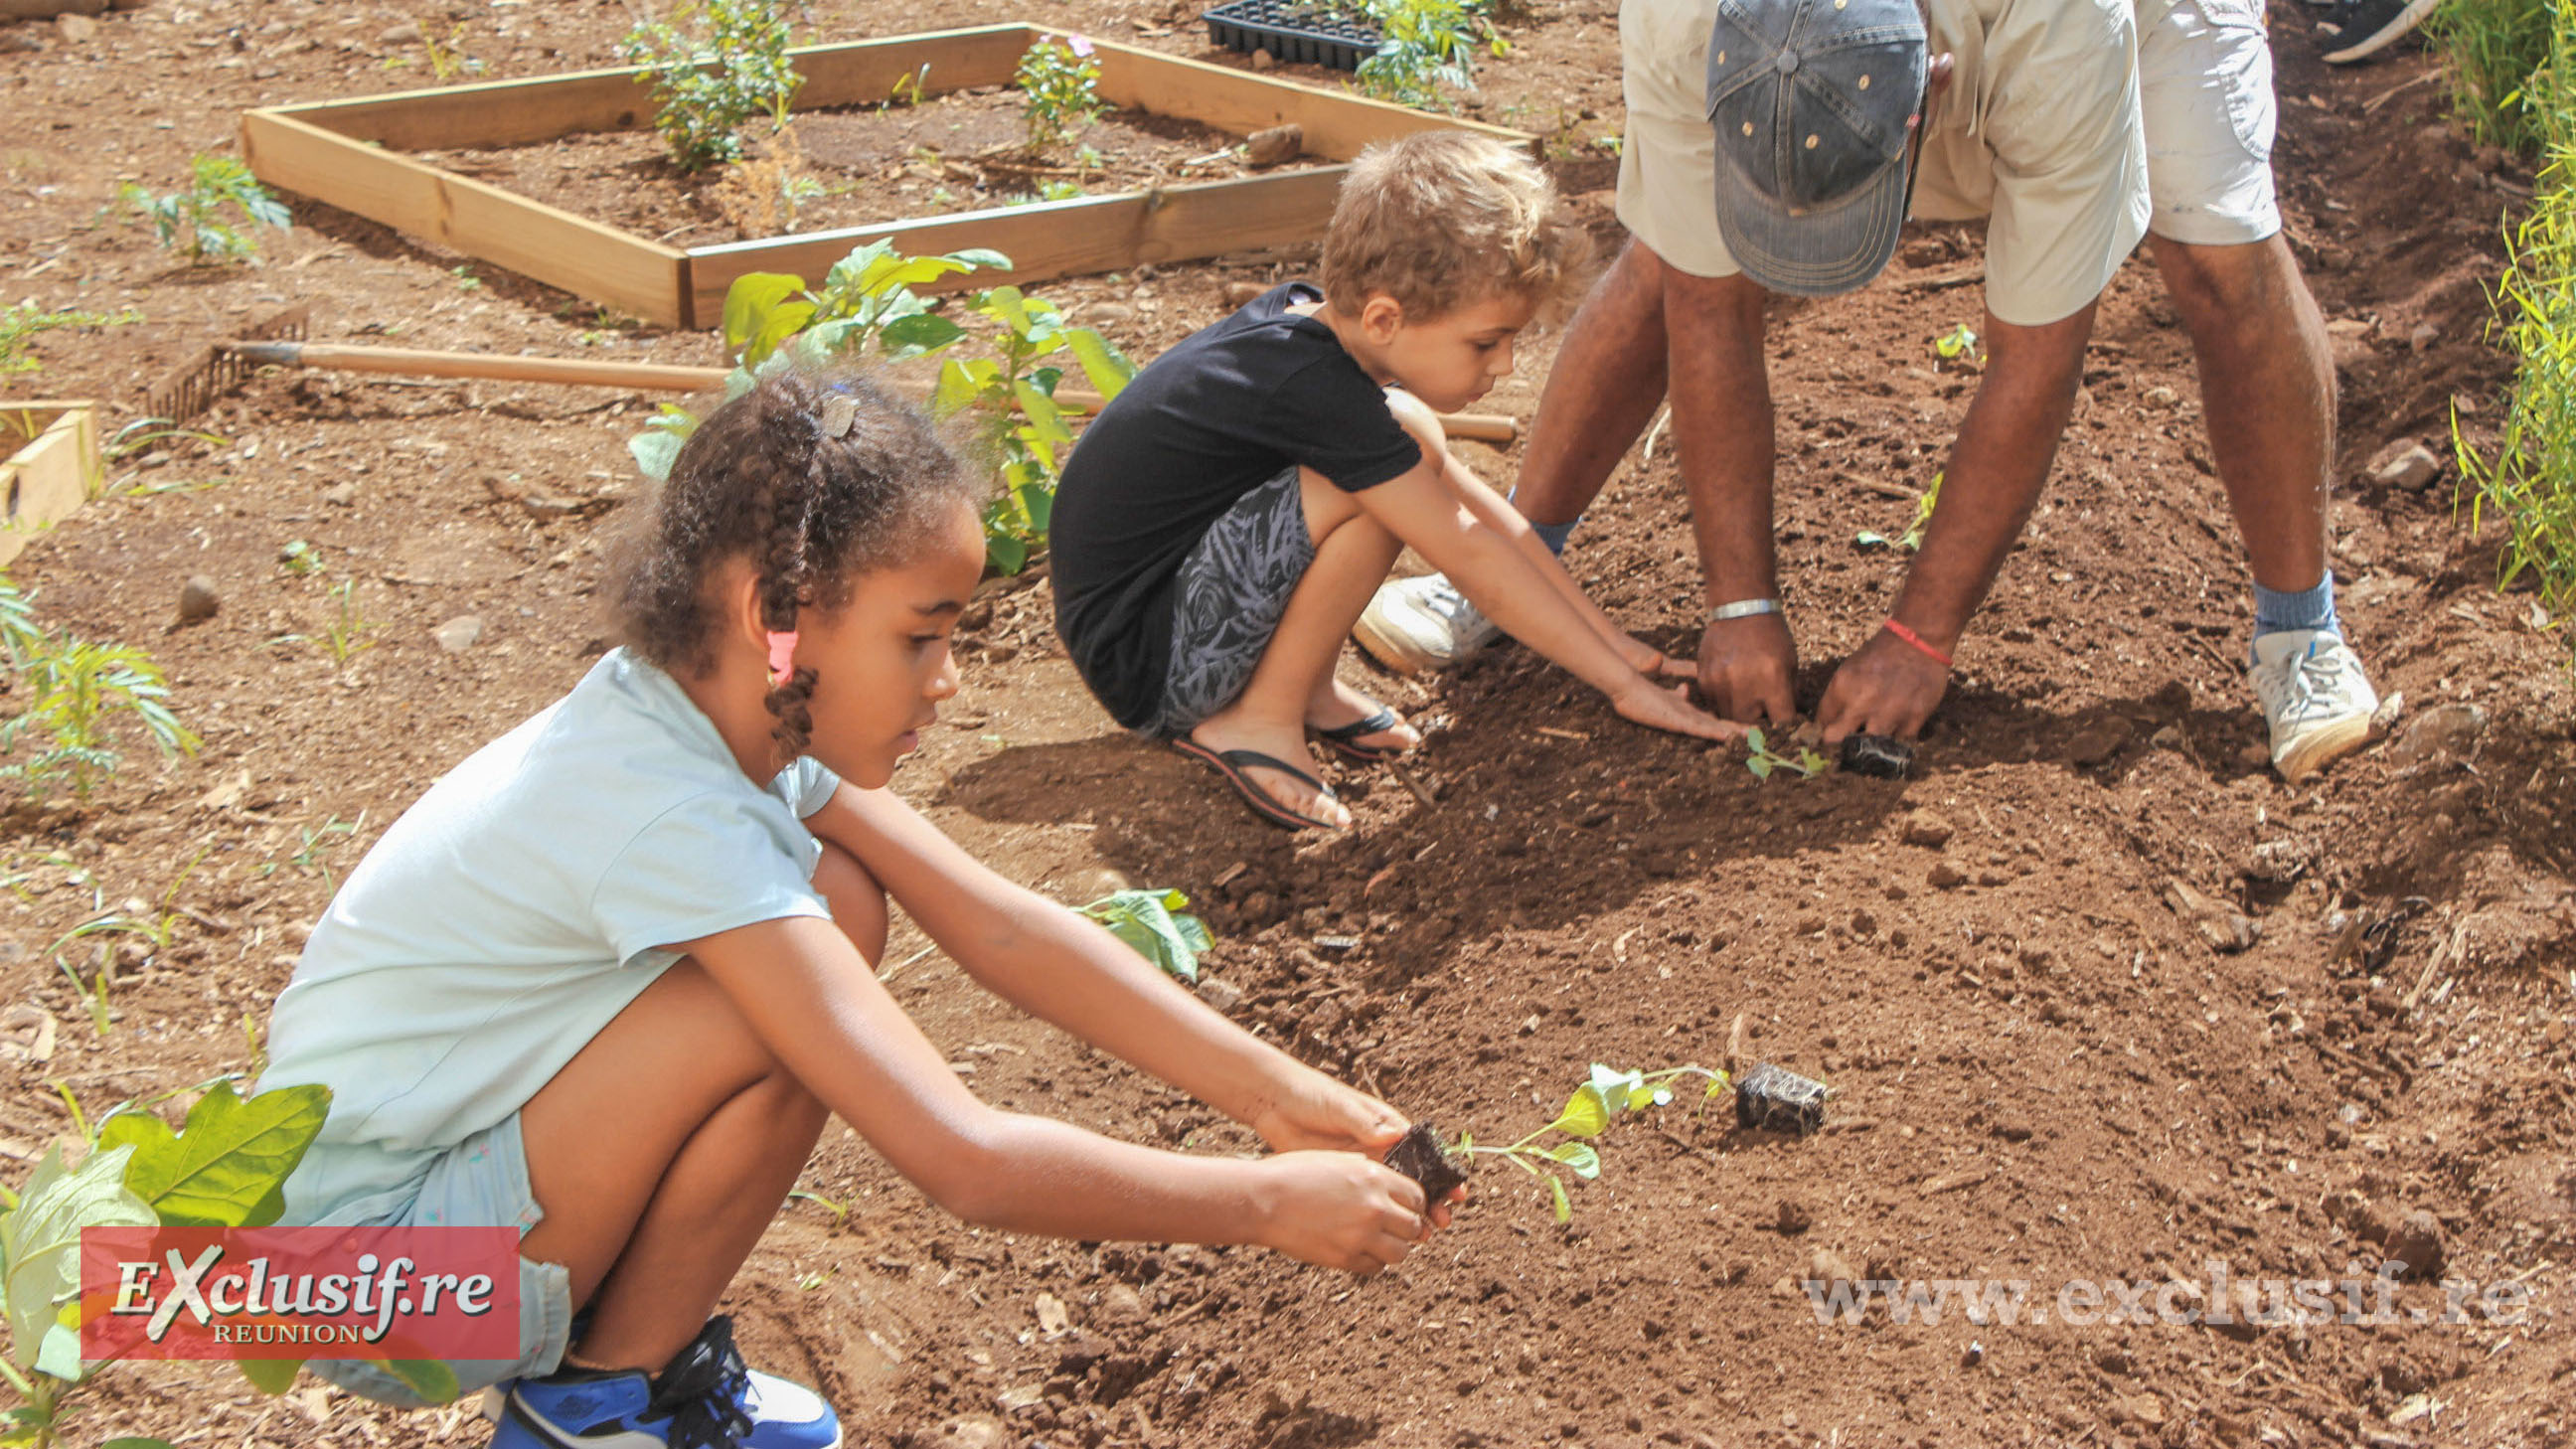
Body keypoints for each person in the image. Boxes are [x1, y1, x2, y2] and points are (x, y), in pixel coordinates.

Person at [257, 370, 1454, 1449]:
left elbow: (995, 923)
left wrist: (1289, 1099)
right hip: (372, 1289)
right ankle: (600, 1410)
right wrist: (1260, 1204)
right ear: (772, 620)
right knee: (796, 997)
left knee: (839, 902)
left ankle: (612, 1381)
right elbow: (964, 1161)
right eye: (922, 636)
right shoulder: (663, 808)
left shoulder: (713, 714)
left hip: (392, 1241)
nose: (948, 679)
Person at [1359, 0, 2381, 786]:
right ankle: (1511, 566)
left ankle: (2302, 630)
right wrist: (1740, 604)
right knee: (1673, 262)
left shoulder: (2065, 38)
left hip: (2121, 23)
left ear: (1929, 96)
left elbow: (2037, 351)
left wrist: (1918, 640)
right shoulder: (1681, 19)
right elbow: (1707, 303)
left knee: (2219, 259)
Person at [1048, 131, 1735, 832]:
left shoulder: (1311, 335)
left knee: (1409, 433)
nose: (1503, 368)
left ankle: (1303, 687)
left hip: (1170, 611)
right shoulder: (1311, 388)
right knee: (1380, 496)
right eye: (1485, 342)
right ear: (1384, 316)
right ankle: (1258, 720)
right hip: (1148, 665)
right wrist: (1619, 689)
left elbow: (1488, 519)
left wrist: (1618, 649)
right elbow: (1466, 550)